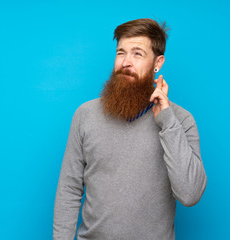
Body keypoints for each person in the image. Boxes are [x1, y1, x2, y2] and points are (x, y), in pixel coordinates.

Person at [53, 18, 207, 240]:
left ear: (158, 63)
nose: (126, 62)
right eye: (120, 52)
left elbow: (190, 194)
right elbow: (69, 190)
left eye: (137, 54)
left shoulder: (180, 121)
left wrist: (166, 120)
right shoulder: (85, 115)